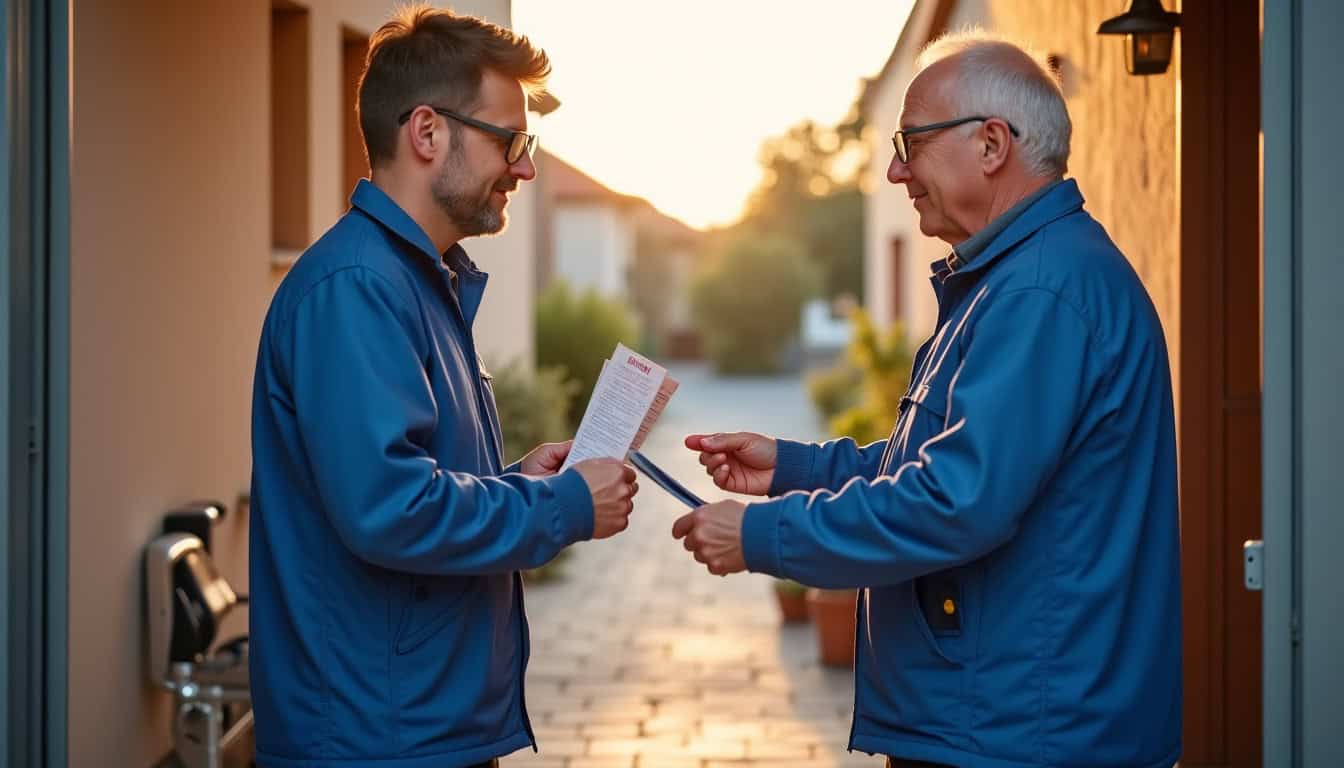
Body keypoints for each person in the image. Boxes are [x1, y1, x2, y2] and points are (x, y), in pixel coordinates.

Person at [675, 31, 1181, 768]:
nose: (893, 170)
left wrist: (760, 537)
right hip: (1008, 720)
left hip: (1024, 733)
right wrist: (792, 465)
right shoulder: (1018, 279)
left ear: (991, 144)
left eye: (910, 142)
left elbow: (957, 501)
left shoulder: (1040, 292)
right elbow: (936, 461)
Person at [249, 6, 637, 767]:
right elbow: (390, 510)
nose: (525, 168)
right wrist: (561, 505)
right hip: (376, 739)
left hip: (414, 726)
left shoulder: (416, 280)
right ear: (427, 133)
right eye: (511, 141)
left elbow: (412, 481)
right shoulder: (358, 287)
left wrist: (516, 481)